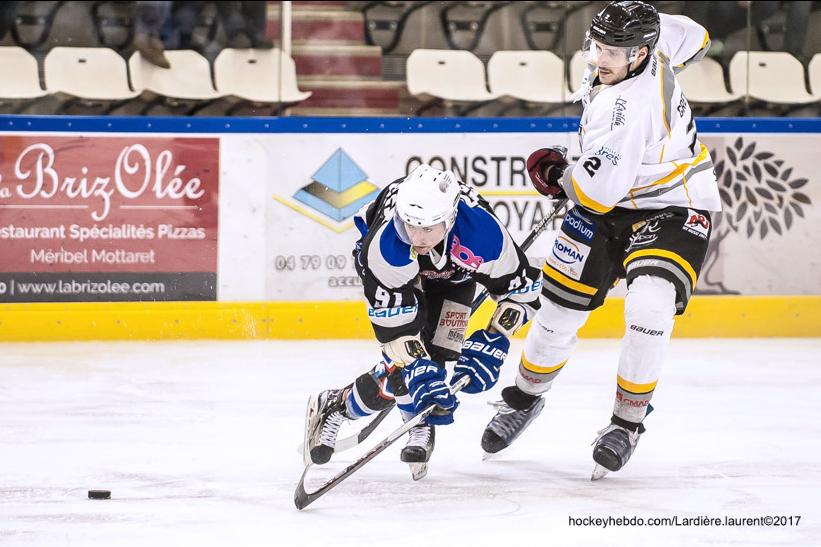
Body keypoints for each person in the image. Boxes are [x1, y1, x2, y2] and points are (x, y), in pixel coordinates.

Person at [480, 1, 722, 480]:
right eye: (598, 46)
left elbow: (596, 193)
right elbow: (699, 36)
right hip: (613, 202)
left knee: (649, 308)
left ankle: (626, 424)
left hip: (672, 205)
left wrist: (558, 176)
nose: (600, 58)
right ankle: (525, 399)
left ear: (640, 53)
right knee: (556, 312)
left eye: (614, 51)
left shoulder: (625, 108)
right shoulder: (659, 38)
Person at [304, 164, 542, 475]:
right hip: (398, 277)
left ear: (450, 219)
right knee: (409, 366)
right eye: (410, 225)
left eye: (428, 228)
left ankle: (345, 405)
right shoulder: (387, 247)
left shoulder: (483, 235)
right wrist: (414, 364)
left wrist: (495, 337)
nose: (416, 237)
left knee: (437, 357)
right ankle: (371, 413)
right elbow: (398, 334)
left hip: (454, 277)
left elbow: (523, 290)